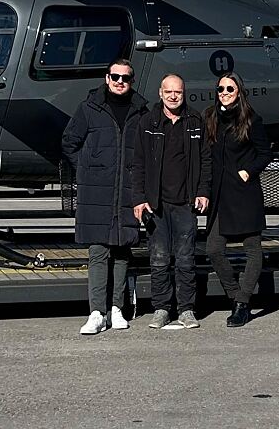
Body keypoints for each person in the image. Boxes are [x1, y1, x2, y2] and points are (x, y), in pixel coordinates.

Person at [61, 59, 147, 334]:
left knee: (122, 251)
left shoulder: (140, 111)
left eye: (126, 78)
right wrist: (86, 171)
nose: (120, 82)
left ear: (132, 81)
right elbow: (69, 142)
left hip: (127, 190)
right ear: (106, 78)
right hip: (96, 191)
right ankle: (96, 312)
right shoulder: (89, 108)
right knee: (98, 250)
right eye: (115, 77)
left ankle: (116, 309)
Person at [132, 74, 211, 330]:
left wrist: (203, 192)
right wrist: (139, 199)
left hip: (186, 203)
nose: (173, 96)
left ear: (184, 93)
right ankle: (162, 308)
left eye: (178, 91)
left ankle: (187, 309)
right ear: (160, 93)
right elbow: (139, 164)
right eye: (168, 91)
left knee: (186, 258)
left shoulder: (196, 121)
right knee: (159, 258)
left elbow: (205, 161)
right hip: (157, 205)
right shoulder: (147, 121)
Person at [204, 71, 272, 327]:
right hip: (220, 195)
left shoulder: (251, 118)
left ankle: (243, 304)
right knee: (213, 249)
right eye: (221, 89)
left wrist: (248, 171)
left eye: (229, 89)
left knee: (253, 250)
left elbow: (265, 153)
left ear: (239, 92)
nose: (224, 93)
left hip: (244, 194)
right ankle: (236, 296)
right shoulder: (211, 116)